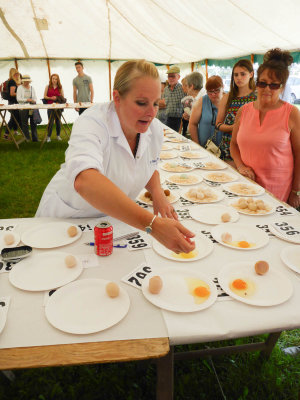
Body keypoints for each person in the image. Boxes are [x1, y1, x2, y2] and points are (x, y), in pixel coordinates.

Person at [36, 60, 195, 254]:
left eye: (155, 103)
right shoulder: (93, 122)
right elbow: (85, 180)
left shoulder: (154, 130)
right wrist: (152, 224)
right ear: (117, 98)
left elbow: (145, 164)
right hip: (67, 221)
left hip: (112, 220)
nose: (152, 112)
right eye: (141, 103)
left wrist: (157, 193)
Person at [230, 49, 300, 208]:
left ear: (282, 87)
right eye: (262, 83)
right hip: (245, 186)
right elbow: (233, 144)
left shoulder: (292, 113)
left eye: (274, 85)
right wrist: (240, 166)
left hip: (277, 191)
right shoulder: (244, 111)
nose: (267, 89)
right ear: (256, 82)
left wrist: (296, 191)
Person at [216, 59, 256, 165]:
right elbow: (218, 124)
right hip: (228, 148)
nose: (238, 78)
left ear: (251, 74)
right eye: (236, 75)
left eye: (243, 74)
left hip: (251, 147)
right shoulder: (227, 97)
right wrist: (233, 127)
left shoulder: (257, 97)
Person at [189, 75, 224, 147]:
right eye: (210, 92)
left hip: (224, 150)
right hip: (204, 148)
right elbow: (192, 124)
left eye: (216, 90)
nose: (213, 94)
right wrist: (197, 145)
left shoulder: (229, 101)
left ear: (222, 87)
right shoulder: (202, 101)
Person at [161, 65, 185, 132]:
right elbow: (164, 102)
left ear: (178, 77)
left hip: (179, 120)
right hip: (167, 118)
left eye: (173, 76)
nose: (170, 78)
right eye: (169, 76)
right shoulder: (166, 89)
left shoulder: (182, 89)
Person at [181, 72, 204, 137]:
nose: (185, 88)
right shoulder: (194, 98)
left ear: (191, 86)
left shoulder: (204, 98)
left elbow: (205, 120)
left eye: (187, 85)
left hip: (201, 135)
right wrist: (189, 117)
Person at [16, 74, 38, 142]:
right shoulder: (20, 88)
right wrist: (27, 100)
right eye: (25, 81)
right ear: (23, 81)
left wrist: (33, 100)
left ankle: (35, 138)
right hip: (23, 107)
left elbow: (35, 97)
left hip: (31, 107)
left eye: (28, 81)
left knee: (33, 122)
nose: (27, 82)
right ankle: (27, 138)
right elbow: (18, 99)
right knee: (24, 123)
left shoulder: (32, 88)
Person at [44, 73, 64, 142]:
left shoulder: (60, 87)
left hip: (58, 106)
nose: (54, 80)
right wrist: (50, 98)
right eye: (53, 78)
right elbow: (44, 96)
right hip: (50, 106)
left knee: (58, 121)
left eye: (56, 79)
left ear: (58, 80)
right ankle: (48, 136)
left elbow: (62, 97)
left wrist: (56, 98)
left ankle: (58, 135)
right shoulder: (47, 86)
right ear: (51, 79)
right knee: (50, 121)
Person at [4, 68, 22, 140]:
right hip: (13, 103)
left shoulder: (11, 81)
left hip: (12, 102)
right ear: (12, 74)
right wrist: (20, 94)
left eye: (18, 73)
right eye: (16, 74)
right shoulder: (12, 82)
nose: (17, 75)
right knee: (13, 118)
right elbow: (12, 93)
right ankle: (6, 134)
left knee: (15, 117)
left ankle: (15, 131)